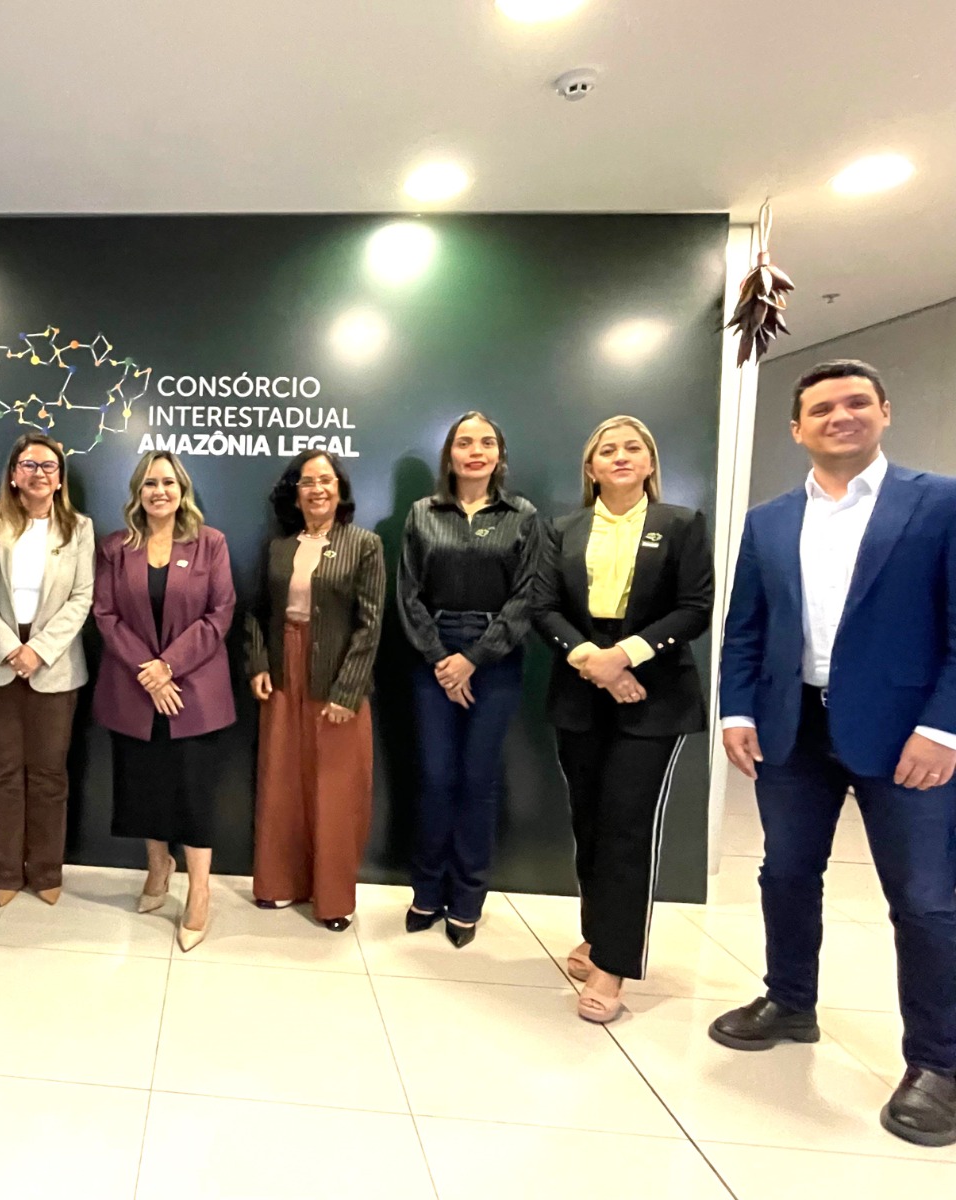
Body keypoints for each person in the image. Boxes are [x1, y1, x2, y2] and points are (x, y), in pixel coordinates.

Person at [713, 359, 956, 1147]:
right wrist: (737, 709)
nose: (839, 416)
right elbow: (745, 627)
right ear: (797, 429)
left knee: (924, 899)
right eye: (821, 409)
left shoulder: (940, 503)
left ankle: (940, 1064)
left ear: (885, 412)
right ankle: (790, 1001)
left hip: (906, 737)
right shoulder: (770, 521)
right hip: (794, 728)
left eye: (856, 403)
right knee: (785, 872)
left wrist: (944, 728)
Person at [532, 414, 712, 1023]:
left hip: (653, 695)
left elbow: (695, 608)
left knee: (626, 827)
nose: (621, 456)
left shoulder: (680, 524)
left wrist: (626, 656)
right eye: (607, 450)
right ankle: (597, 934)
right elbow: (544, 607)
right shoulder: (563, 529)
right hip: (580, 687)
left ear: (650, 462)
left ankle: (614, 963)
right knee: (589, 822)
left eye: (633, 447)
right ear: (591, 468)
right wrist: (595, 661)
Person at [397, 413, 540, 946]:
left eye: (486, 442)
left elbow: (527, 597)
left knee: (478, 782)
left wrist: (474, 658)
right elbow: (407, 594)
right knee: (436, 779)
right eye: (464, 442)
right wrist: (443, 659)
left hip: (495, 659)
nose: (475, 451)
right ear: (450, 455)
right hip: (431, 655)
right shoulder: (422, 513)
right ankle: (427, 890)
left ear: (499, 454)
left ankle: (467, 898)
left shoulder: (521, 515)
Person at [93, 451, 235, 951]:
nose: (160, 491)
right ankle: (158, 866)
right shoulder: (115, 547)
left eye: (168, 482)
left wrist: (168, 666)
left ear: (182, 490)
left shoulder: (210, 543)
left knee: (194, 795)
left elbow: (220, 613)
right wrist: (149, 673)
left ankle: (199, 892)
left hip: (194, 690)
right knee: (144, 787)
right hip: (134, 690)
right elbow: (105, 614)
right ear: (138, 491)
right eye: (150, 483)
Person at [245, 450, 385, 932]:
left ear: (339, 489)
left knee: (336, 789)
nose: (317, 489)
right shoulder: (279, 547)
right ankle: (279, 883)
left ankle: (332, 899)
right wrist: (258, 663)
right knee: (281, 781)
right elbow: (257, 611)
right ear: (295, 493)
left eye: (326, 480)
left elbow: (370, 625)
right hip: (284, 672)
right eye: (307, 482)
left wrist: (348, 691)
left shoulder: (364, 545)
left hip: (335, 675)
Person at [0, 433, 94, 906]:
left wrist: (38, 650)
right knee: (1, 773)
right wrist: (8, 647)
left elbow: (82, 596)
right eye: (28, 464)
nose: (38, 473)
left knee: (49, 775)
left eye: (48, 466)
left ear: (60, 478)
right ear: (13, 474)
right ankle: (4, 871)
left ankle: (45, 871)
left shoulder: (79, 528)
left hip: (55, 665)